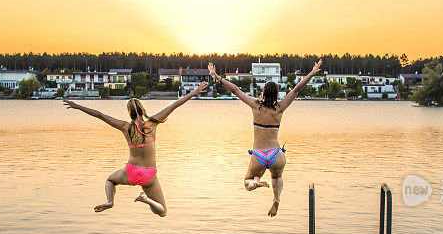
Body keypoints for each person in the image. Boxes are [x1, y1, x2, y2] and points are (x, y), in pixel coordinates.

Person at [63, 82, 208, 216]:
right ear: (142, 109)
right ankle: (147, 200)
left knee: (110, 181)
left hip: (131, 171)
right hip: (149, 175)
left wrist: (78, 106)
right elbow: (174, 105)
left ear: (129, 112)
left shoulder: (125, 127)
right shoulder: (153, 123)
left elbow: (100, 115)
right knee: (162, 211)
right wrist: (193, 92)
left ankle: (110, 201)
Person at [207, 59, 323, 216]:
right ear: (276, 94)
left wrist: (217, 77)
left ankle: (254, 183)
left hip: (259, 155)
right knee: (277, 177)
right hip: (276, 154)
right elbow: (296, 90)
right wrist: (312, 72)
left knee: (246, 180)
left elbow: (235, 90)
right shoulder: (280, 108)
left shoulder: (256, 105)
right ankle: (276, 200)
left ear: (263, 92)